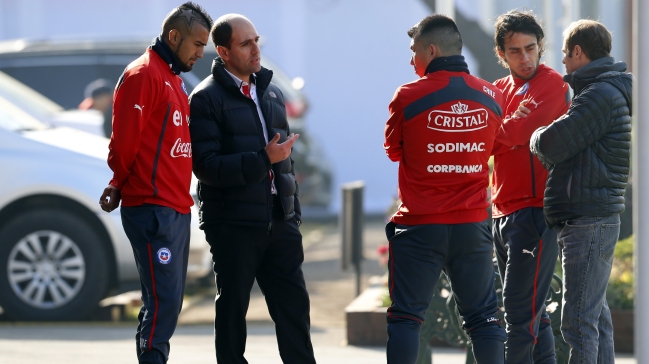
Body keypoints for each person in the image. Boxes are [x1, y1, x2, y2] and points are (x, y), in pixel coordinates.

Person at [188, 14, 316, 364]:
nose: (256, 49)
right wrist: (263, 158)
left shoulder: (271, 92)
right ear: (224, 51)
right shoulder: (204, 99)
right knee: (232, 312)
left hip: (280, 221)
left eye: (256, 40)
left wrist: (292, 214)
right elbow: (207, 167)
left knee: (294, 311)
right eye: (246, 43)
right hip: (233, 224)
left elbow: (285, 161)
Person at [383, 14, 507, 364]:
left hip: (421, 225)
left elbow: (393, 149)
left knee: (407, 317)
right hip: (472, 225)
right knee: (484, 319)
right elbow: (493, 146)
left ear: (432, 50)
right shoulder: (492, 95)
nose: (411, 60)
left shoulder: (408, 96)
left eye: (414, 51)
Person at [98, 3, 212, 363]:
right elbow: (125, 143)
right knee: (162, 306)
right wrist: (119, 180)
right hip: (151, 208)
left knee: (169, 304)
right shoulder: (143, 74)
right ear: (173, 36)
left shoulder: (173, 79)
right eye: (196, 44)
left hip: (175, 208)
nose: (200, 53)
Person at [530, 19, 631, 363]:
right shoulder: (600, 90)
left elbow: (553, 143)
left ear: (577, 51)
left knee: (578, 324)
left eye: (564, 54)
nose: (561, 63)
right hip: (593, 217)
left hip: (589, 220)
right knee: (595, 319)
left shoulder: (599, 94)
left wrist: (534, 134)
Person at [490, 10, 571, 364]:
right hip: (501, 210)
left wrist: (504, 127)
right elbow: (487, 143)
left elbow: (518, 133)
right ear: (502, 54)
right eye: (515, 51)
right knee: (535, 315)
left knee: (518, 317)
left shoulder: (552, 84)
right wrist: (506, 127)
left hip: (535, 211)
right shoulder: (498, 89)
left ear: (541, 47)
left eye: (530, 48)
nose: (525, 58)